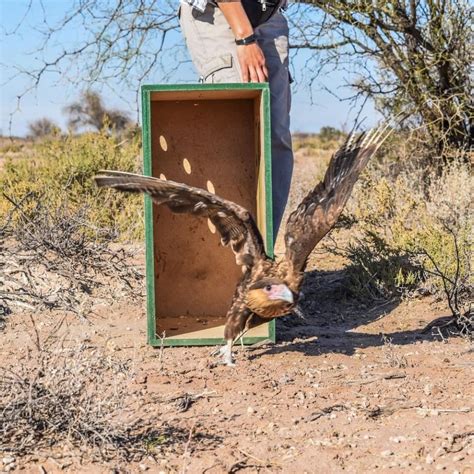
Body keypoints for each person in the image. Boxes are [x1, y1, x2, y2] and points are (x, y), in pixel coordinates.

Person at [179, 0, 293, 241]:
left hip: (269, 15)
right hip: (218, 13)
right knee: (235, 135)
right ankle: (228, 261)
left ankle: (260, 254)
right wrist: (244, 38)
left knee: (276, 137)